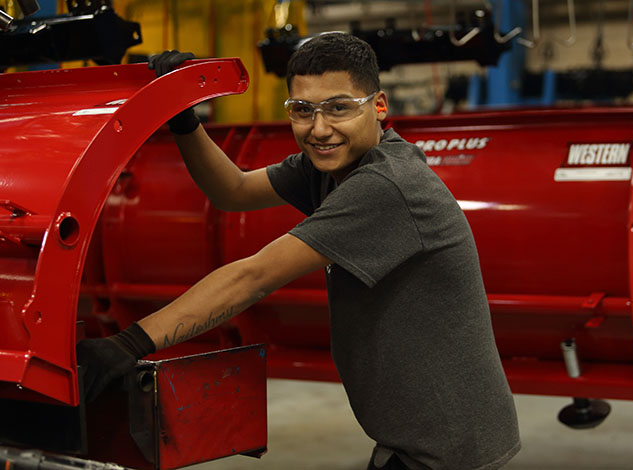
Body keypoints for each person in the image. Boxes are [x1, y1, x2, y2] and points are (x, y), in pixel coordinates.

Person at [77, 32, 520, 470]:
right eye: (302, 111)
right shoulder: (328, 166)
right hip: (411, 436)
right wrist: (184, 121)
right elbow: (233, 189)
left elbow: (255, 276)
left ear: (379, 107)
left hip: (449, 447)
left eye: (339, 108)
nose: (319, 129)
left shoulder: (387, 186)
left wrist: (128, 343)